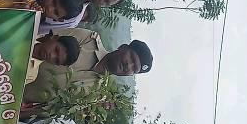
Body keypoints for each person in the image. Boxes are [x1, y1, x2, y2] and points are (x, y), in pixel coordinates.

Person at [24, 30, 153, 101]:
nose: (128, 65)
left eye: (134, 69)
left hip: (17, 98)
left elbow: (52, 109)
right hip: (17, 63)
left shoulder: (96, 93)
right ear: (123, 47)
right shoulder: (88, 39)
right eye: (131, 57)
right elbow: (46, 38)